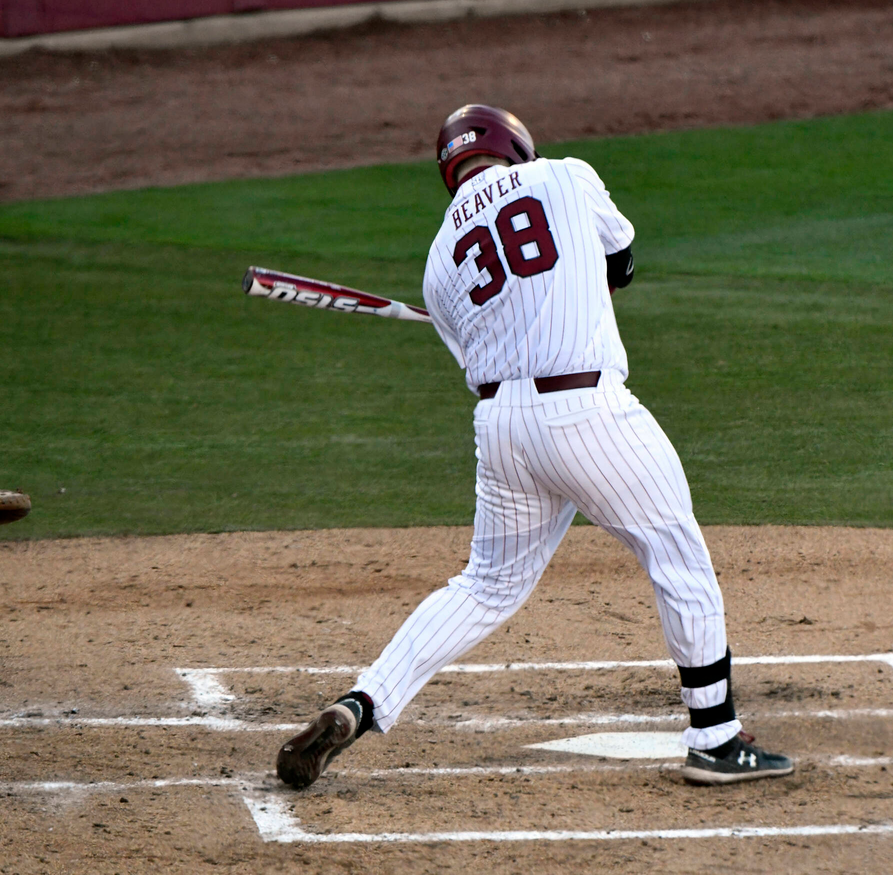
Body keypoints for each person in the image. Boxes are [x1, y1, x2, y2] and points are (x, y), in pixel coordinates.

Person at [276, 104, 792, 788]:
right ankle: (717, 737)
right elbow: (622, 262)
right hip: (588, 413)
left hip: (503, 430)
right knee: (675, 553)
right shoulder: (565, 176)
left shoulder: (438, 262)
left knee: (486, 585)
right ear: (514, 147)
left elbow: (475, 358)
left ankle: (361, 703)